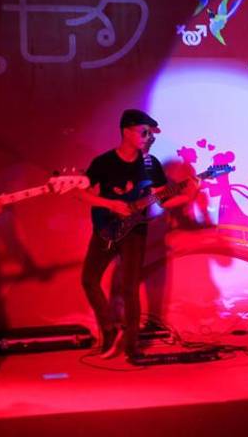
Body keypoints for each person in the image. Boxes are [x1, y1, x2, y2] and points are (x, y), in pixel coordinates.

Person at [79, 109, 167, 361]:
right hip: (106, 228)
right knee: (89, 279)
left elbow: (164, 198)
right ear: (126, 131)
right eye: (144, 132)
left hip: (135, 230)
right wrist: (111, 204)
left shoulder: (150, 164)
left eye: (150, 134)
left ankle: (132, 347)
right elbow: (81, 194)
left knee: (130, 287)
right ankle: (109, 329)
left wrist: (189, 193)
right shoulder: (103, 162)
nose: (149, 137)